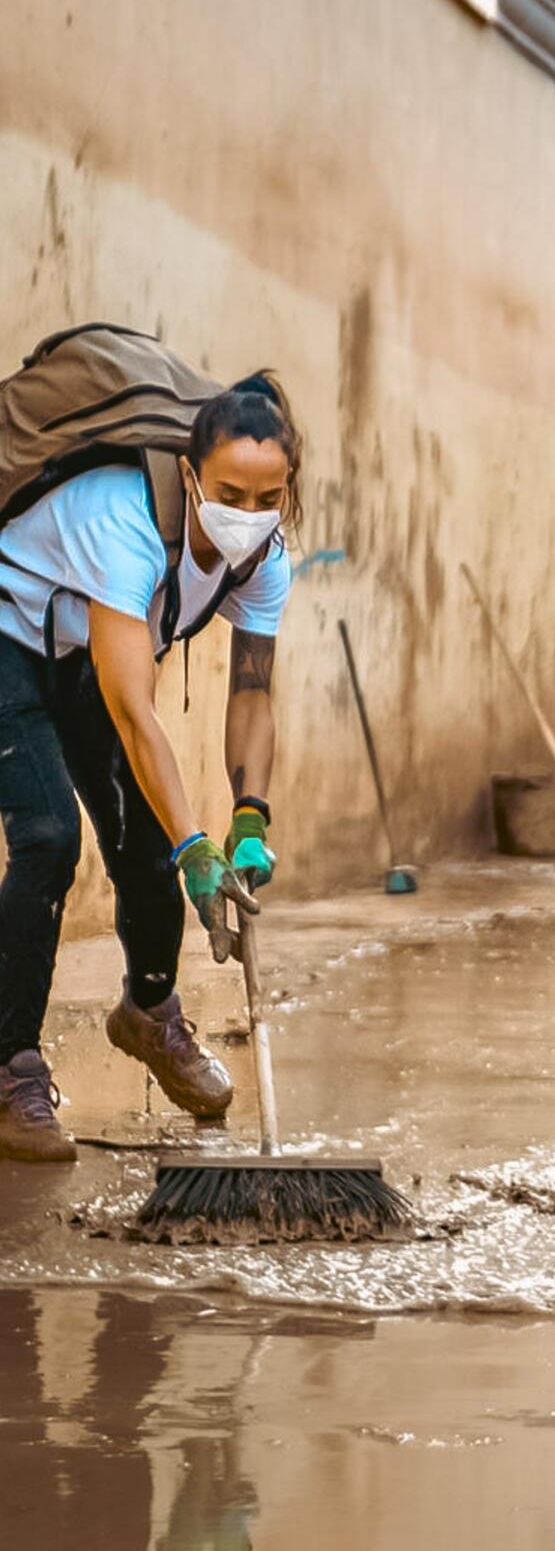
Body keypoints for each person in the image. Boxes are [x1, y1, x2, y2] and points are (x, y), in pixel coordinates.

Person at [0, 376, 297, 1162]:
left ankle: (148, 1015)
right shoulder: (123, 520)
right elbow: (133, 710)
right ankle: (10, 1072)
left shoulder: (265, 559)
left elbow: (254, 689)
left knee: (146, 841)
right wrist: (195, 844)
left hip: (76, 644)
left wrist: (248, 819)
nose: (250, 513)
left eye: (269, 497)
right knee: (48, 834)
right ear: (189, 474)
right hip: (7, 627)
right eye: (231, 492)